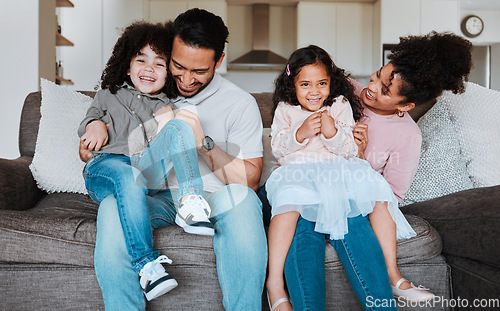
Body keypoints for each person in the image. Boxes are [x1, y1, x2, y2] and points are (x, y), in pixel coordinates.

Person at [268, 32, 471, 310]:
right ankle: (277, 287)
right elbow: (312, 74)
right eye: (376, 76)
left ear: (405, 106)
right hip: (304, 183)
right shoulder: (344, 90)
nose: (372, 87)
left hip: (350, 191)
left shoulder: (406, 135)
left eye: (385, 91)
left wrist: (357, 154)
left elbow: (389, 194)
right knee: (303, 230)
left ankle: (391, 280)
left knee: (358, 223)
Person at [80, 9, 267, 310]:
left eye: (199, 71)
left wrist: (203, 143)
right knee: (114, 205)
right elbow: (105, 139)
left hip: (213, 198)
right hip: (157, 195)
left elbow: (251, 181)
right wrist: (95, 134)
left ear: (218, 61)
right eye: (178, 66)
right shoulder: (149, 87)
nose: (186, 79)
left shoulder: (240, 104)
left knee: (244, 201)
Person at [265, 45, 419, 311]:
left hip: (336, 174)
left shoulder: (340, 104)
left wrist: (332, 131)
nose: (314, 91)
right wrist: (300, 133)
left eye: (322, 83)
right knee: (287, 208)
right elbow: (278, 147)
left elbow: (349, 149)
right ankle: (274, 282)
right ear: (293, 84)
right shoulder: (286, 108)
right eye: (305, 85)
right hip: (298, 175)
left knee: (375, 194)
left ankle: (391, 277)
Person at [78, 21, 216, 301]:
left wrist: (166, 123)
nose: (149, 68)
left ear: (169, 74)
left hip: (143, 172)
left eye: (159, 63)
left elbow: (168, 146)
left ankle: (190, 201)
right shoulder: (107, 95)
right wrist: (93, 126)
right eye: (141, 60)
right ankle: (147, 265)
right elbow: (87, 126)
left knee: (180, 127)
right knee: (128, 176)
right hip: (105, 168)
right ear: (127, 66)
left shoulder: (166, 106)